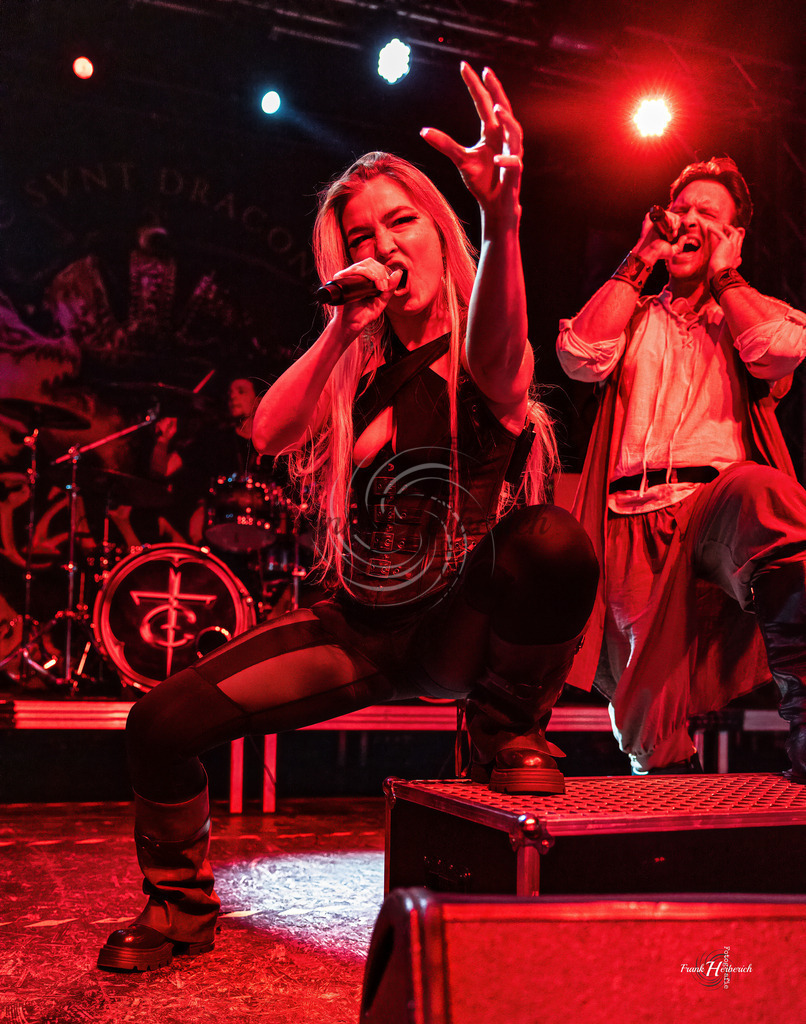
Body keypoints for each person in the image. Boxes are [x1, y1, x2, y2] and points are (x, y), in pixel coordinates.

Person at [97, 63, 598, 973]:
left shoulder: (481, 346)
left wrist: (505, 218)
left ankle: (506, 723)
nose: (386, 242)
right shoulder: (355, 369)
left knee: (554, 542)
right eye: (363, 233)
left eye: (402, 220)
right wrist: (341, 325)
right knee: (158, 724)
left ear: (441, 232)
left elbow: (504, 354)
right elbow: (270, 432)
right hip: (361, 628)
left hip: (462, 624)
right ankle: (178, 909)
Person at [556, 156, 806, 777]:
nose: (688, 221)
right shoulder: (633, 313)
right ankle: (671, 818)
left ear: (735, 237)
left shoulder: (746, 313)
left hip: (716, 505)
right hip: (630, 519)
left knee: (767, 498)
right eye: (682, 209)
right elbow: (579, 356)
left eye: (708, 214)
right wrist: (638, 259)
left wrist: (727, 279)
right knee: (646, 719)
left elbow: (780, 350)